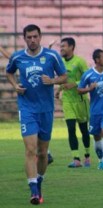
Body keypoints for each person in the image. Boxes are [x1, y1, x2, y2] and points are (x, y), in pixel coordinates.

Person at [6, 24, 67, 204]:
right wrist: (15, 86)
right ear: (24, 38)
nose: (32, 40)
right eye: (29, 37)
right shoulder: (18, 57)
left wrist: (53, 80)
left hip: (46, 110)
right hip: (27, 109)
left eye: (35, 37)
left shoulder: (51, 56)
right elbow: (9, 72)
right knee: (30, 149)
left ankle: (39, 182)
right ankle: (33, 190)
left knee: (42, 152)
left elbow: (64, 77)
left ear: (40, 37)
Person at [1, 45, 55, 165]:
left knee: (38, 137)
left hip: (43, 105)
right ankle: (41, 157)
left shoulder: (42, 56)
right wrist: (15, 86)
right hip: (27, 104)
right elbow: (11, 61)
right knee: (31, 138)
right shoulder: (20, 57)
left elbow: (9, 56)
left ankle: (44, 155)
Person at [55, 37, 91, 168]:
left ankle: (87, 156)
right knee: (71, 129)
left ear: (71, 47)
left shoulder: (80, 62)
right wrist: (59, 89)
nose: (61, 48)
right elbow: (62, 78)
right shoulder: (61, 62)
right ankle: (76, 159)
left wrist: (74, 84)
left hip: (80, 100)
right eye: (61, 46)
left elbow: (88, 78)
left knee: (83, 130)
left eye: (63, 46)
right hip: (68, 100)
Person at [78, 49, 103, 170]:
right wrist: (89, 89)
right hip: (94, 110)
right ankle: (100, 160)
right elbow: (79, 89)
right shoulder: (88, 74)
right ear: (97, 60)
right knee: (97, 136)